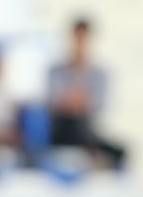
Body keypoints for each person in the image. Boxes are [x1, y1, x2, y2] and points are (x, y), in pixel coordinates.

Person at [46, 19, 125, 169]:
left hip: (87, 128)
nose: (79, 43)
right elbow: (55, 101)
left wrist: (74, 101)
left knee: (119, 151)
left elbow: (98, 104)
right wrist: (76, 101)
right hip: (61, 129)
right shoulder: (56, 70)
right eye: (77, 38)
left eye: (83, 38)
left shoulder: (99, 73)